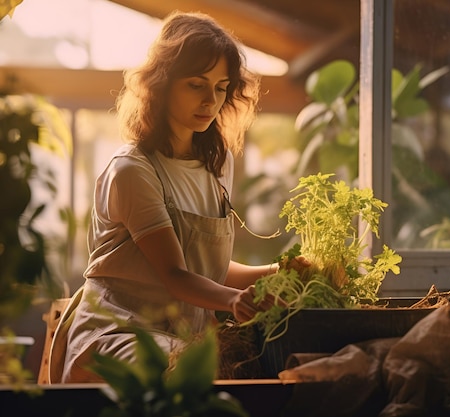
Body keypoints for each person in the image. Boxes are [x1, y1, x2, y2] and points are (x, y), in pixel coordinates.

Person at [51, 10, 287, 383]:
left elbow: (205, 267)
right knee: (202, 370)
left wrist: (281, 273)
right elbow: (176, 275)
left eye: (221, 87)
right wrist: (231, 300)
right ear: (161, 84)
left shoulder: (214, 165)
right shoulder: (133, 170)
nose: (211, 100)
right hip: (118, 336)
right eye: (196, 84)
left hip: (180, 341)